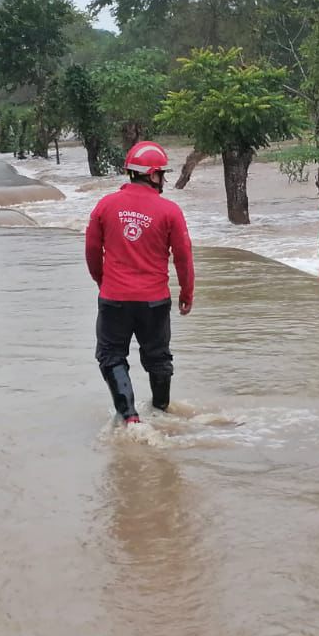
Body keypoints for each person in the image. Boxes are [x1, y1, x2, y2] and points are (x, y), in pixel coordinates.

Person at [85, 141, 195, 424]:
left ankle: (130, 417)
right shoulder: (170, 211)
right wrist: (187, 292)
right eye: (162, 174)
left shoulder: (105, 206)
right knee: (158, 359)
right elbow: (183, 257)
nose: (164, 180)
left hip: (114, 298)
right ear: (153, 174)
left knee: (111, 356)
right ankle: (161, 411)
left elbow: (92, 251)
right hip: (155, 302)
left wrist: (102, 281)